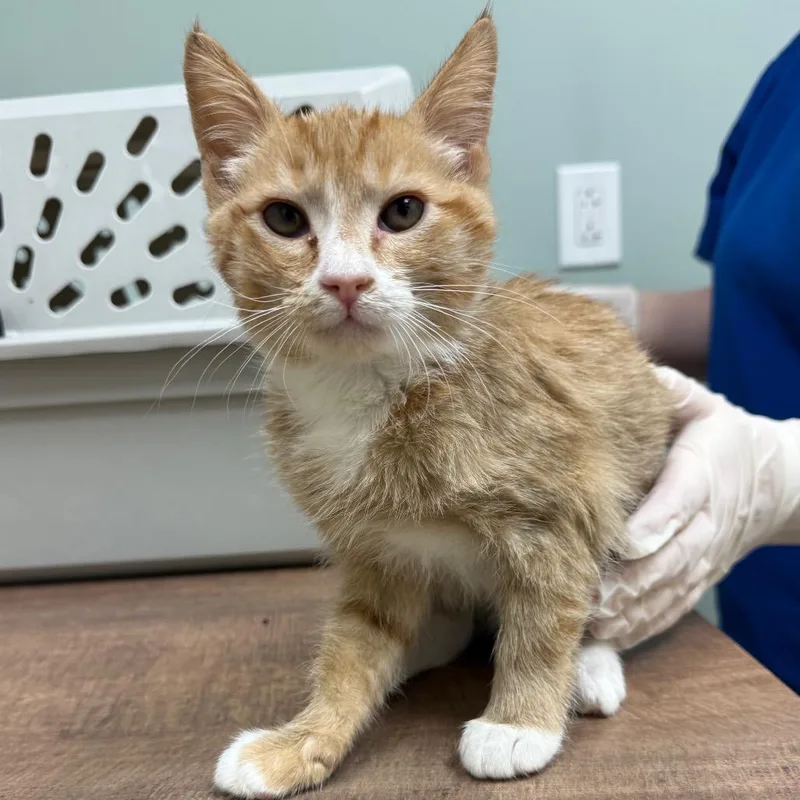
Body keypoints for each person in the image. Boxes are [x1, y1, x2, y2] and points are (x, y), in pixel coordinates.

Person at [588, 31, 800, 693]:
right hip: (763, 639)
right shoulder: (787, 78)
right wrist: (600, 322)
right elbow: (761, 302)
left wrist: (776, 480)